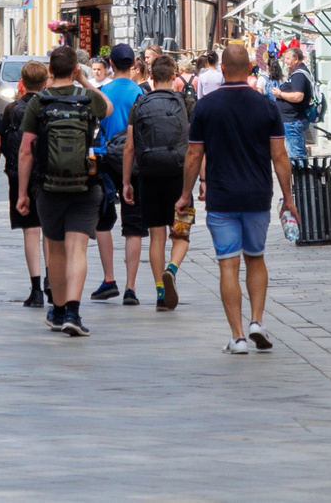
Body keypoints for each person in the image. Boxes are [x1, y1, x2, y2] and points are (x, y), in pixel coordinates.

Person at [182, 40, 299, 355]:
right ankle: (257, 321)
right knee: (256, 257)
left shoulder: (206, 106)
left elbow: (193, 156)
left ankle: (237, 338)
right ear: (250, 68)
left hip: (221, 197)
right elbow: (280, 155)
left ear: (222, 70)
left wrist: (185, 195)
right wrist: (288, 198)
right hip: (258, 194)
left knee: (228, 265)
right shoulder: (266, 105)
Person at [16, 45, 109, 336]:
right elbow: (110, 108)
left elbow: (25, 152)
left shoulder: (38, 103)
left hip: (48, 185)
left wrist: (22, 193)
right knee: (77, 249)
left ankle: (56, 311)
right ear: (75, 69)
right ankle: (73, 311)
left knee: (55, 249)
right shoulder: (86, 98)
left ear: (50, 71)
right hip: (85, 183)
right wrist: (83, 82)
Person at [122, 53, 192, 310]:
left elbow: (129, 148)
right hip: (179, 179)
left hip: (148, 177)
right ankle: (171, 269)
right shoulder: (186, 103)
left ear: (151, 77)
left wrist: (126, 181)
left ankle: (161, 292)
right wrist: (202, 179)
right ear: (174, 77)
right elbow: (196, 146)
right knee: (181, 234)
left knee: (156, 237)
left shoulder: (138, 105)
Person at [93, 44, 143, 305]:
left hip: (105, 158)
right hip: (133, 161)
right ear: (134, 62)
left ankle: (108, 278)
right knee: (133, 223)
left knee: (103, 220)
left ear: (110, 63)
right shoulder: (141, 92)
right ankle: (131, 287)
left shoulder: (102, 92)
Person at [0, 58, 49, 306]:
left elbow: (6, 144)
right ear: (44, 82)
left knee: (31, 231)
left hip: (20, 175)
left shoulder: (12, 109)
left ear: (22, 82)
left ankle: (36, 288)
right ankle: (52, 279)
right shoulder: (49, 106)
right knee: (49, 230)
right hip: (48, 174)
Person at [275, 45, 316, 165]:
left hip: (293, 121)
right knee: (298, 154)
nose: (285, 61)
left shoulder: (299, 75)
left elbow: (298, 96)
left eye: (287, 58)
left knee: (296, 156)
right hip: (293, 120)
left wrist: (280, 94)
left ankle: (302, 182)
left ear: (296, 59)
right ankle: (303, 181)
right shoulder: (298, 73)